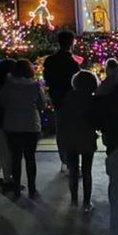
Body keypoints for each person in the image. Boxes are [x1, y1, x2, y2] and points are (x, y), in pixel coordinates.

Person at [0, 59, 47, 198]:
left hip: (12, 124)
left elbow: (2, 101)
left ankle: (16, 189)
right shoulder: (35, 85)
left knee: (16, 158)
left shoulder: (8, 84)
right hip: (31, 124)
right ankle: (32, 189)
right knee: (30, 158)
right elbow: (42, 104)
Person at [59, 71, 99, 211]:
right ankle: (87, 203)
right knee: (87, 170)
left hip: (71, 138)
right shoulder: (92, 101)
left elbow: (62, 121)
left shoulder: (68, 99)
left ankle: (74, 200)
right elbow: (96, 120)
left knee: (74, 170)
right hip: (87, 137)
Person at [43, 30, 81, 174]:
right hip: (70, 100)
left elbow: (47, 80)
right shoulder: (72, 62)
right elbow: (76, 82)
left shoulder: (50, 61)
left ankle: (64, 160)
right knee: (72, 130)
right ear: (71, 42)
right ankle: (72, 162)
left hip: (57, 98)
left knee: (61, 130)